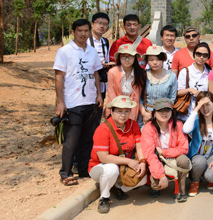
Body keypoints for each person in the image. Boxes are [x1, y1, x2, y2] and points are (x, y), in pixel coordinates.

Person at [54, 19, 103, 186]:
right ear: (73, 32)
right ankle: (66, 173)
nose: (83, 34)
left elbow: (95, 74)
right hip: (72, 103)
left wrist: (99, 95)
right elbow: (58, 77)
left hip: (91, 101)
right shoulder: (64, 52)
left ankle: (83, 169)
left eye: (86, 31)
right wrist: (60, 102)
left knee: (88, 139)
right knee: (71, 140)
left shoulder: (92, 51)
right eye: (80, 31)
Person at [89, 96, 147, 214]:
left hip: (123, 166)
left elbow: (139, 147)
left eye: (126, 111)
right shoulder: (103, 129)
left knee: (145, 176)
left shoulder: (133, 124)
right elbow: (103, 157)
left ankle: (118, 187)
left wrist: (142, 162)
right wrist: (129, 161)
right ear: (112, 111)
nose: (123, 115)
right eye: (119, 111)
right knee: (111, 169)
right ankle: (104, 197)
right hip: (100, 166)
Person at [141, 98, 191, 202]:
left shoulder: (178, 125)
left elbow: (184, 148)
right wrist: (161, 176)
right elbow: (150, 155)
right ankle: (156, 185)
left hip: (174, 157)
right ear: (154, 113)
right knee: (156, 184)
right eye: (160, 110)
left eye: (167, 110)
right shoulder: (148, 128)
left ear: (171, 112)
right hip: (157, 160)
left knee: (184, 160)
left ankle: (180, 191)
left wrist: (164, 152)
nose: (164, 113)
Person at [182, 91, 213, 196]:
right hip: (197, 156)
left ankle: (209, 177)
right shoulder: (196, 120)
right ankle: (195, 181)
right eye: (202, 105)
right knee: (199, 161)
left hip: (212, 156)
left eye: (208, 104)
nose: (205, 108)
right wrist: (196, 109)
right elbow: (185, 130)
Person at [105, 45, 147, 122]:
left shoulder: (140, 73)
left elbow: (138, 96)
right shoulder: (112, 72)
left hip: (133, 109)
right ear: (119, 58)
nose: (127, 59)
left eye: (130, 56)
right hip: (117, 108)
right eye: (123, 56)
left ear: (134, 58)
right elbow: (111, 94)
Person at [139, 46, 178, 124]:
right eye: (151, 60)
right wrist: (144, 113)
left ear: (163, 60)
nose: (155, 62)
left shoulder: (172, 76)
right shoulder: (143, 75)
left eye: (158, 59)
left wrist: (163, 113)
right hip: (146, 114)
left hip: (164, 115)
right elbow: (139, 98)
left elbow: (172, 98)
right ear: (147, 61)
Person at [176, 42, 212, 122]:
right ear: (194, 55)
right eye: (198, 54)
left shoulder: (210, 72)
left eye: (205, 55)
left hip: (204, 113)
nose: (201, 57)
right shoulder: (186, 71)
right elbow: (178, 92)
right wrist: (190, 90)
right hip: (187, 114)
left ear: (208, 57)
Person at [88, 12, 113, 100]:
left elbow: (107, 58)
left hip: (101, 83)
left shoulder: (105, 42)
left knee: (99, 105)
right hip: (87, 83)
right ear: (92, 24)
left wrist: (107, 65)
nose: (102, 26)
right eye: (99, 23)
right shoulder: (85, 42)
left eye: (105, 24)